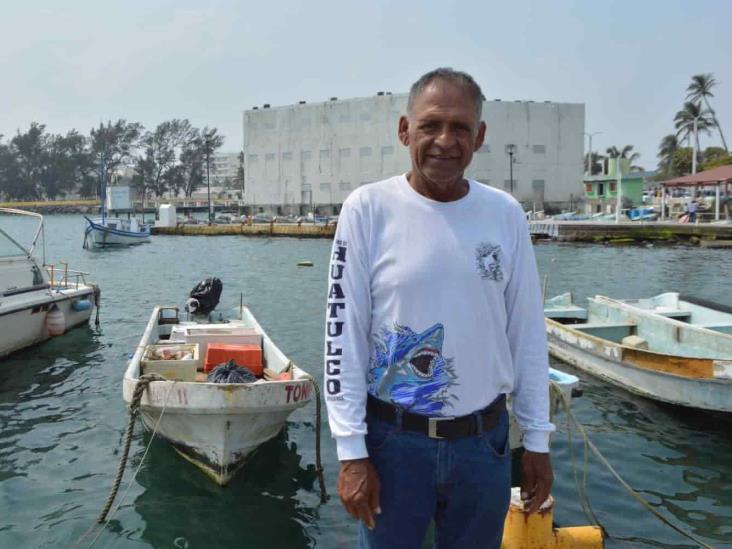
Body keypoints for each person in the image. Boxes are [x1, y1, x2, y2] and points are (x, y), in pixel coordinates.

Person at [324, 68, 554, 549]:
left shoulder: (505, 214)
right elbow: (342, 337)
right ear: (405, 130)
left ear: (480, 136)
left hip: (484, 446)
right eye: (430, 125)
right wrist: (351, 453)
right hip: (392, 444)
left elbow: (527, 334)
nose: (444, 141)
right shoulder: (367, 209)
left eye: (460, 128)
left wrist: (536, 441)